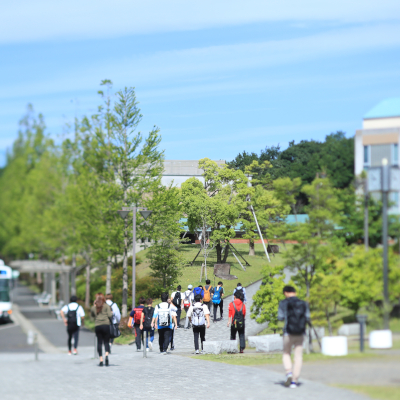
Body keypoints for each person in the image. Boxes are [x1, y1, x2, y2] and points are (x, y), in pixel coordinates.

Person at [278, 286, 310, 389]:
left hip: (288, 332)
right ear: (294, 292)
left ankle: (289, 373)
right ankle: (294, 381)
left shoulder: (283, 303)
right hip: (300, 333)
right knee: (298, 356)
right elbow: (308, 317)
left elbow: (280, 317)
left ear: (286, 293)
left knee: (286, 353)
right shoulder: (303, 303)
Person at [91, 293, 113, 366]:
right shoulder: (106, 306)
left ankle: (101, 359)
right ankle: (106, 355)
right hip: (106, 325)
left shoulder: (94, 307)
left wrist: (94, 306)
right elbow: (110, 315)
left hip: (98, 326)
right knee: (106, 342)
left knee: (99, 342)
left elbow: (92, 317)